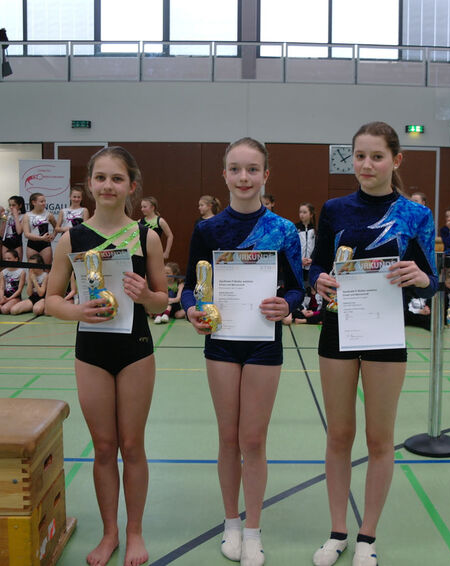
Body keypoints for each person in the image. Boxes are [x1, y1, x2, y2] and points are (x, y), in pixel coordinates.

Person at [309, 122, 436, 566]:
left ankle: (368, 537)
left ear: (395, 160)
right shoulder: (334, 209)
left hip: (386, 335)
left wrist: (421, 277)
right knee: (339, 435)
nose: (366, 165)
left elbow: (432, 280)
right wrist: (318, 279)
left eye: (377, 157)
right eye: (359, 156)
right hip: (337, 331)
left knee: (380, 439)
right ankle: (337, 532)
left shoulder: (416, 215)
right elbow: (317, 266)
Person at [181, 137, 303, 566]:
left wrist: (288, 304)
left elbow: (297, 287)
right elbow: (191, 287)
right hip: (221, 341)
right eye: (235, 169)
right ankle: (231, 521)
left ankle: (253, 529)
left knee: (253, 439)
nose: (244, 177)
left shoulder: (284, 230)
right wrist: (192, 309)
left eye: (253, 169)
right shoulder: (208, 230)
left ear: (265, 175)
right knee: (228, 437)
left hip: (263, 342)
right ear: (224, 175)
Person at [45, 146, 166, 566]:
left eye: (117, 178)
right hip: (92, 352)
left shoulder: (147, 236)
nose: (108, 185)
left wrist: (146, 295)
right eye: (100, 178)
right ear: (89, 184)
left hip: (135, 351)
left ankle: (134, 532)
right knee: (103, 446)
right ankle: (110, 532)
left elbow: (162, 300)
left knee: (132, 445)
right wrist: (78, 312)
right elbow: (51, 300)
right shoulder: (71, 238)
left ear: (132, 186)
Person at [23, 193, 56, 265]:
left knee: (46, 268)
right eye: (41, 201)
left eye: (44, 201)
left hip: (45, 245)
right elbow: (26, 234)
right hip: (32, 245)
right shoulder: (27, 215)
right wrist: (41, 238)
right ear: (34, 202)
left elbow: (56, 227)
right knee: (32, 268)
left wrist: (53, 235)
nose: (44, 203)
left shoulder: (49, 215)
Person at [0, 248, 25, 315]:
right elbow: (1, 288)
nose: (7, 260)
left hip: (15, 297)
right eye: (5, 259)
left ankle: (16, 303)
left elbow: (19, 290)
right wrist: (1, 297)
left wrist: (9, 299)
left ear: (16, 259)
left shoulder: (21, 272)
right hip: (5, 296)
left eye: (9, 258)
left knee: (5, 309)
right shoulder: (2, 272)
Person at [297, 202, 317, 284]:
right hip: (299, 263)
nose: (302, 214)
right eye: (300, 212)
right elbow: (294, 247)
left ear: (311, 214)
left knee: (310, 284)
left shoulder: (315, 229)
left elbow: (317, 247)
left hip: (311, 263)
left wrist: (312, 259)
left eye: (304, 212)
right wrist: (299, 259)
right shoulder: (295, 228)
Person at [1, 196, 25, 260]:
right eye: (10, 205)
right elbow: (1, 234)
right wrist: (4, 219)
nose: (11, 207)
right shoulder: (6, 215)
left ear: (20, 206)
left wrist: (15, 216)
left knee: (17, 263)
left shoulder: (24, 216)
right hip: (6, 242)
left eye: (14, 205)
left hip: (17, 242)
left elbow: (19, 231)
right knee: (5, 262)